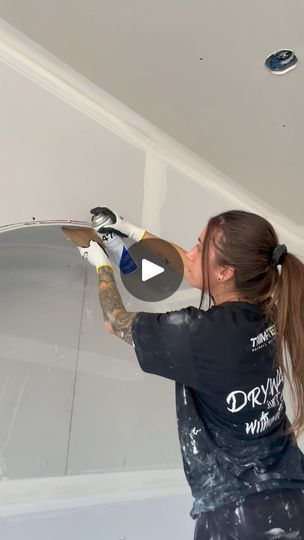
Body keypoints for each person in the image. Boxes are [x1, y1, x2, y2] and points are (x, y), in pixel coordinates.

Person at [77, 207, 304, 539]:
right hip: (292, 495)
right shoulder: (267, 308)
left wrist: (101, 265)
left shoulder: (201, 335)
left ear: (225, 272)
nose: (191, 252)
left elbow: (115, 321)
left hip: (240, 516)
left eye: (200, 246)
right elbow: (186, 262)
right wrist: (128, 230)